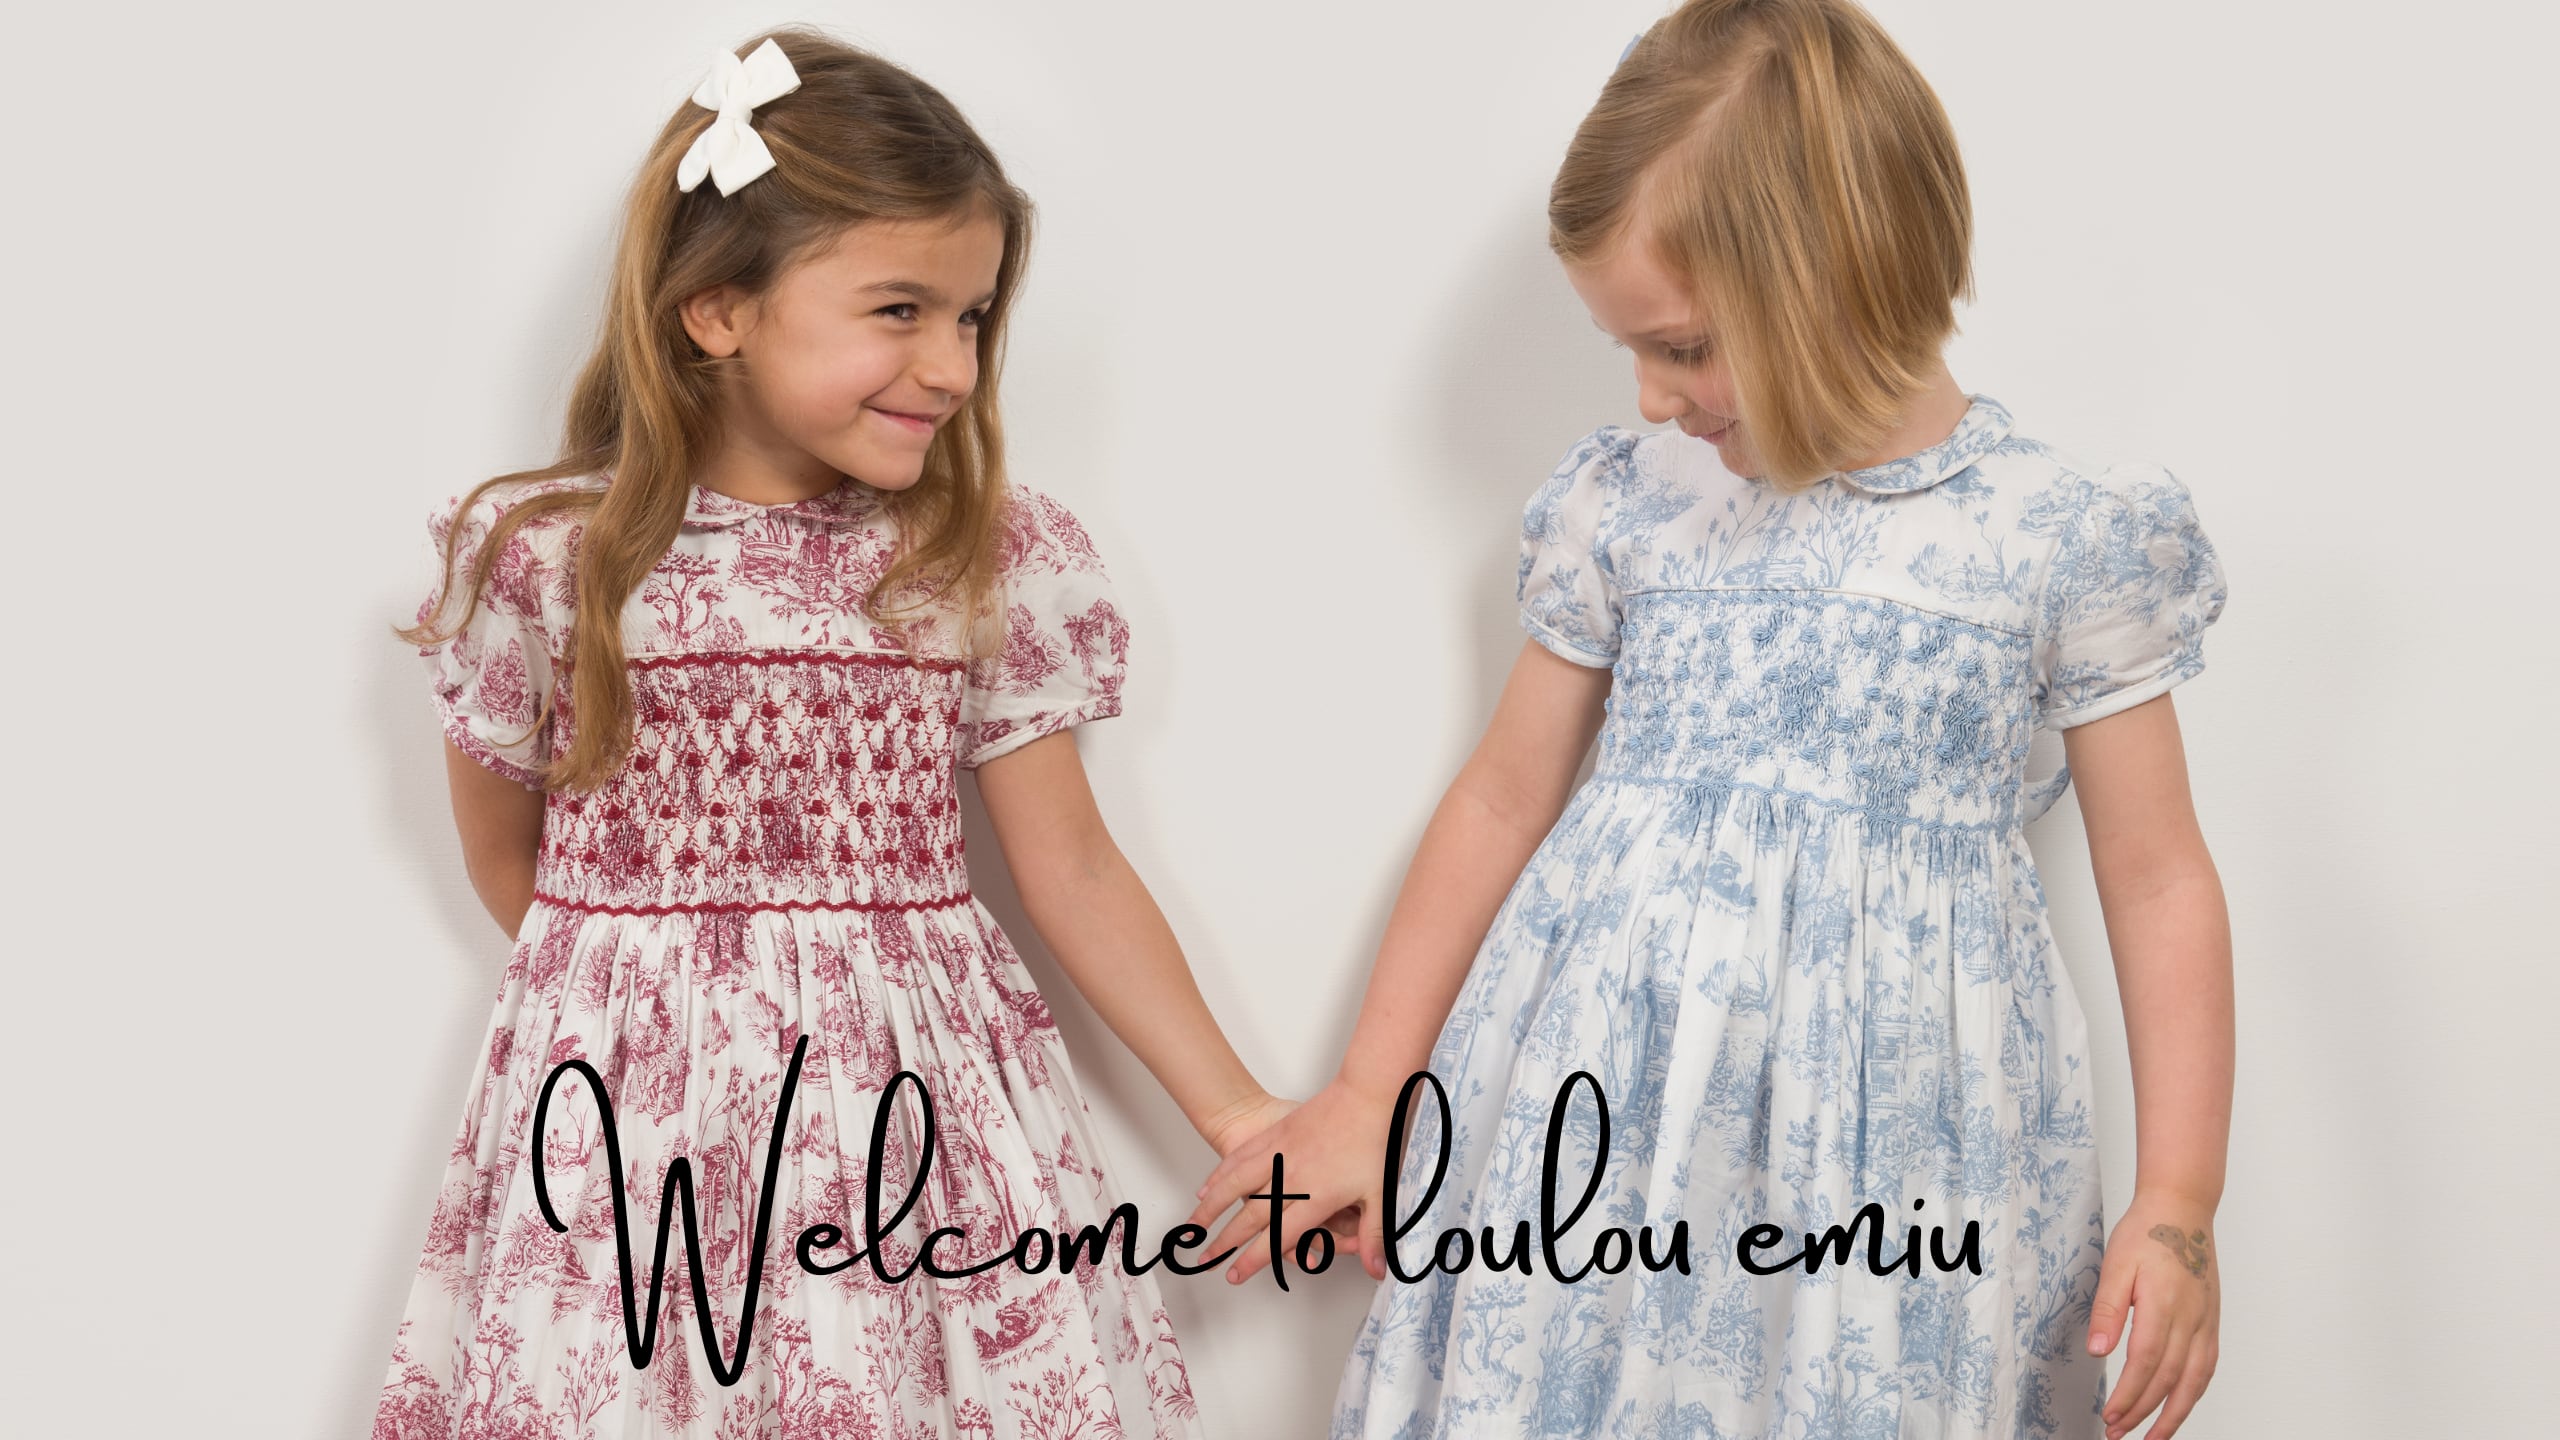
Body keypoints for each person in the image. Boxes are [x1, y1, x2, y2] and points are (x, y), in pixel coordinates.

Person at [1189, 2, 2233, 1436]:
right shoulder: (1631, 502)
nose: (1650, 397)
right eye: (1633, 350)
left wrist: (2180, 1202)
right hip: (1608, 1112)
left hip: (1894, 1149)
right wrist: (1374, 1088)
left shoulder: (2055, 534)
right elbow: (1503, 794)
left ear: (1840, 279)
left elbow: (2158, 874)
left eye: (1683, 347)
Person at [373, 30, 1291, 1438]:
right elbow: (518, 867)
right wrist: (659, 1013)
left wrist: (1240, 1118)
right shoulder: (549, 557)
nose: (951, 364)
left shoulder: (974, 555)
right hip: (633, 1126)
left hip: (911, 1118)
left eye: (972, 317)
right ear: (719, 310)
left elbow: (1072, 868)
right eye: (900, 309)